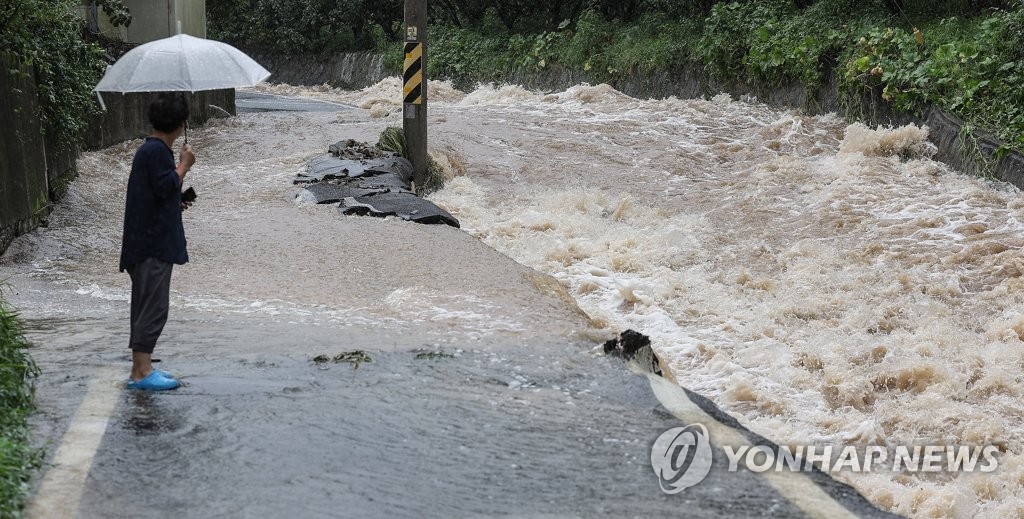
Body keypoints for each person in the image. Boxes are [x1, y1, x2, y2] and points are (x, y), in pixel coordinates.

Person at [119, 92, 196, 390]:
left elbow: (156, 196)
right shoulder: (156, 152)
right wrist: (184, 164)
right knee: (153, 308)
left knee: (145, 305)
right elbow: (165, 184)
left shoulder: (149, 151)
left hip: (145, 241)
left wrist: (178, 201)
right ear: (180, 124)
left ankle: (141, 369)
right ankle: (142, 372)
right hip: (152, 246)